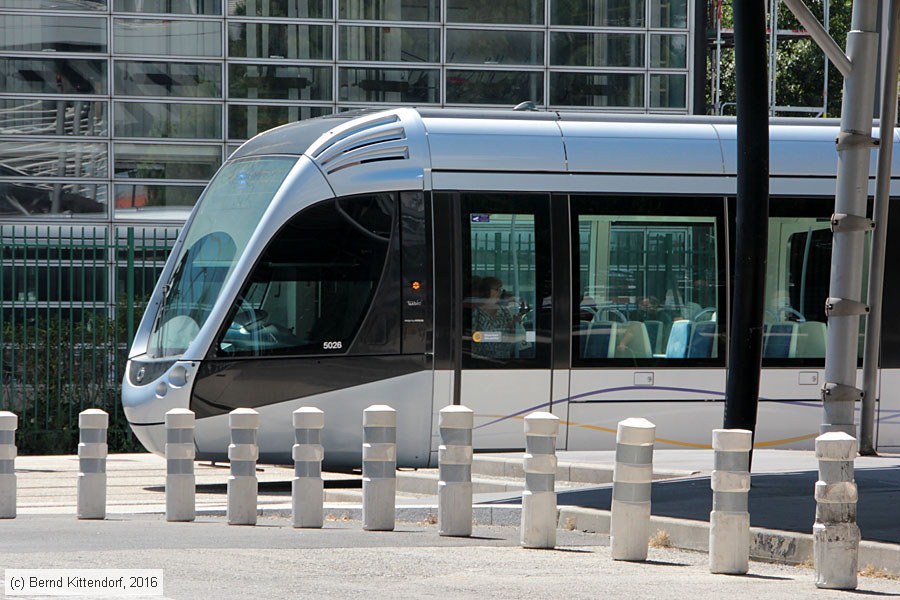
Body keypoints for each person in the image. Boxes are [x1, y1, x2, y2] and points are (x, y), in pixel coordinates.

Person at [471, 276, 528, 359]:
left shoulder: (504, 310)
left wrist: (516, 322)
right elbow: (472, 336)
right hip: (482, 360)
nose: (500, 293)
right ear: (487, 291)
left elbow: (510, 329)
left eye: (500, 290)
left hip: (504, 359)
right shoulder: (476, 312)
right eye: (497, 289)